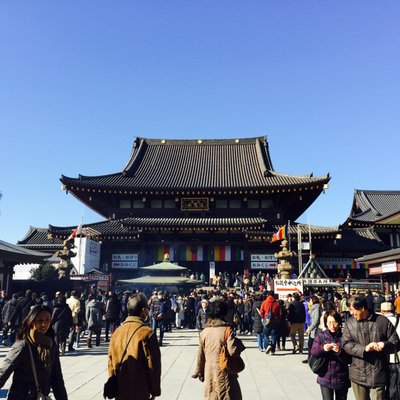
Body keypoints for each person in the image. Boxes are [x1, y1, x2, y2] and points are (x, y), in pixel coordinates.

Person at [0, 304, 68, 399]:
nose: (44, 324)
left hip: (41, 396)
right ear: (32, 321)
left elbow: (57, 379)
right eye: (40, 321)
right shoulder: (23, 345)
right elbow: (4, 372)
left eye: (47, 320)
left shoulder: (51, 345)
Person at [342, 295, 400, 400]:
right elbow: (346, 344)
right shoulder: (350, 323)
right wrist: (364, 349)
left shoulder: (383, 321)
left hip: (379, 373)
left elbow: (396, 343)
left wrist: (384, 345)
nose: (351, 313)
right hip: (358, 373)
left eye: (352, 309)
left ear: (362, 308)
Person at [107, 292, 161, 400]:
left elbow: (110, 363)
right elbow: (153, 365)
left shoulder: (116, 333)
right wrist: (155, 390)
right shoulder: (147, 333)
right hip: (140, 389)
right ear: (143, 311)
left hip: (120, 389)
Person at [192, 299, 245, 400]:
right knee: (226, 395)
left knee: (212, 395)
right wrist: (238, 343)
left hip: (209, 371)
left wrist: (199, 370)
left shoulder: (204, 331)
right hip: (224, 369)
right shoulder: (227, 330)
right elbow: (233, 351)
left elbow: (200, 354)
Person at [310, 310, 351, 400]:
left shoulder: (345, 337)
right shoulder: (320, 336)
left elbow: (349, 359)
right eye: (329, 322)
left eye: (335, 322)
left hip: (342, 377)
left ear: (339, 323)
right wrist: (323, 348)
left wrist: (339, 351)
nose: (332, 325)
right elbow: (313, 352)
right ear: (325, 323)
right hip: (325, 377)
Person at [259, 291, 282, 355]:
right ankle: (273, 350)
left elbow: (261, 312)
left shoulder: (264, 302)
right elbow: (280, 313)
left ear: (267, 295)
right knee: (274, 336)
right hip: (275, 321)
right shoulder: (277, 303)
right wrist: (278, 319)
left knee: (265, 334)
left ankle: (267, 345)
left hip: (266, 321)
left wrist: (263, 318)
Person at [303, 295, 322, 363]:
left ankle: (312, 359)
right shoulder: (313, 308)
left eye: (310, 300)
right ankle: (310, 358)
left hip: (316, 330)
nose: (309, 302)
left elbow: (316, 320)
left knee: (312, 344)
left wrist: (310, 328)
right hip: (313, 330)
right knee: (310, 344)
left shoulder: (316, 308)